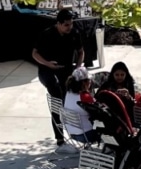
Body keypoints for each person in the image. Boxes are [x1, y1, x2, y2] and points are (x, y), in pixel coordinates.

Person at [31, 8, 84, 153]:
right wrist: (47, 63)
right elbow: (34, 53)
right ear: (59, 24)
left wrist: (78, 67)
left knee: (72, 99)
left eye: (71, 24)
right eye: (66, 25)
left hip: (66, 70)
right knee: (56, 96)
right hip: (48, 70)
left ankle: (77, 132)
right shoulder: (46, 34)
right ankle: (60, 139)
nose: (69, 27)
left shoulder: (74, 33)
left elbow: (81, 52)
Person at [62, 67, 97, 145]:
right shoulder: (84, 96)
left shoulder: (68, 93)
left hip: (71, 133)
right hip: (86, 135)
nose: (91, 82)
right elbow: (97, 111)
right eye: (89, 80)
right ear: (84, 82)